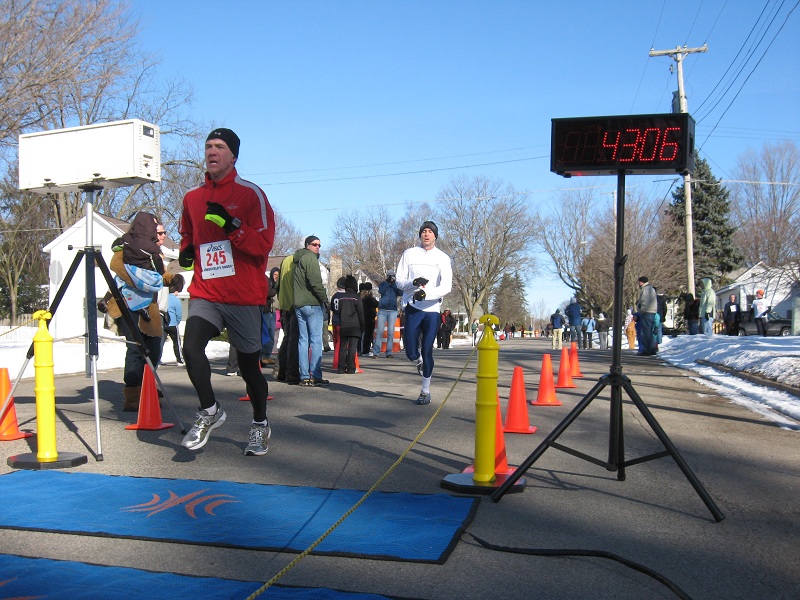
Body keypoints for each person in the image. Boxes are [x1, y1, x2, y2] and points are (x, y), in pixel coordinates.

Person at [178, 127, 275, 456]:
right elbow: (187, 234)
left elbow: (263, 245)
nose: (212, 151)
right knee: (190, 348)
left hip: (243, 295)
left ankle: (260, 424)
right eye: (208, 146)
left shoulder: (251, 195)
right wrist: (187, 250)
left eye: (219, 146)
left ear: (233, 155)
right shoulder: (192, 198)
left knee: (249, 369)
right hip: (206, 291)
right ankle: (209, 411)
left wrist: (232, 225)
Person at [98, 219, 169, 412]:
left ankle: (146, 387)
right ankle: (132, 396)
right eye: (160, 232)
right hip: (131, 305)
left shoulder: (158, 254)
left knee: (154, 350)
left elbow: (163, 276)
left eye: (163, 233)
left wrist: (174, 279)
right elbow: (117, 270)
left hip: (155, 309)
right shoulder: (128, 247)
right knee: (136, 350)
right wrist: (139, 282)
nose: (162, 236)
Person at [395, 220, 452, 405]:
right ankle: (417, 359)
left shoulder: (443, 257)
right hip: (413, 307)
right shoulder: (409, 254)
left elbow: (446, 286)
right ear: (420, 235)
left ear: (435, 236)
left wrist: (426, 293)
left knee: (428, 349)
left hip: (432, 309)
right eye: (423, 231)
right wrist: (413, 284)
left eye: (430, 232)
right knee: (411, 351)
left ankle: (425, 391)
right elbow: (399, 281)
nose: (426, 234)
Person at [294, 235, 329, 387]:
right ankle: (315, 374)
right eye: (315, 244)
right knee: (315, 340)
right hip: (312, 304)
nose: (317, 247)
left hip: (299, 304)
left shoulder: (298, 259)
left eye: (319, 245)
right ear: (308, 245)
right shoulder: (310, 259)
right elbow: (316, 282)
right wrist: (324, 299)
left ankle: (303, 376)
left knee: (303, 340)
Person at [276, 253, 300, 385]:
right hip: (295, 304)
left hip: (285, 304)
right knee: (294, 339)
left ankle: (282, 371)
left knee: (287, 339)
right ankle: (292, 374)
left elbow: (278, 285)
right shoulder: (300, 260)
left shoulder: (285, 261)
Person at [334, 275, 364, 374]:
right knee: (352, 348)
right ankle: (351, 368)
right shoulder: (357, 298)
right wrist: (362, 326)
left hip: (344, 325)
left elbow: (337, 311)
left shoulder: (341, 298)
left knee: (343, 347)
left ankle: (341, 367)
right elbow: (360, 313)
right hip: (355, 326)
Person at [376, 270, 403, 357]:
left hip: (393, 310)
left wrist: (394, 284)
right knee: (380, 331)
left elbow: (400, 293)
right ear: (387, 276)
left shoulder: (396, 285)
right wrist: (388, 283)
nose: (391, 277)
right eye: (390, 276)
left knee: (391, 332)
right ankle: (376, 351)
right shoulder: (383, 284)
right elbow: (381, 291)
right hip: (382, 310)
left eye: (393, 276)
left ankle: (389, 351)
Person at [260, 267, 280, 366]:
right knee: (266, 333)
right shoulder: (269, 282)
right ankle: (262, 356)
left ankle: (267, 356)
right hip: (266, 310)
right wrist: (275, 290)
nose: (276, 276)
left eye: (278, 275)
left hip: (274, 311)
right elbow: (267, 293)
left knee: (272, 335)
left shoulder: (278, 285)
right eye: (275, 274)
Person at [164, 274, 185, 364]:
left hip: (163, 323)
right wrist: (177, 321)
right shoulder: (176, 300)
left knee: (160, 343)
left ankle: (157, 359)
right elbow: (179, 314)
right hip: (173, 324)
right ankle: (180, 359)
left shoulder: (163, 297)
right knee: (177, 343)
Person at [636, 276, 657, 356]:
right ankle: (652, 349)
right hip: (652, 312)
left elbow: (644, 301)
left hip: (647, 312)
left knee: (645, 332)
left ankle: (646, 349)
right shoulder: (651, 288)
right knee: (649, 331)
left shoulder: (645, 289)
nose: (638, 283)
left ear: (642, 282)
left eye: (639, 282)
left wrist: (640, 309)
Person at [360, 282, 379, 357]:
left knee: (363, 334)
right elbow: (377, 304)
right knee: (368, 335)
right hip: (369, 318)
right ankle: (365, 350)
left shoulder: (361, 297)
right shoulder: (369, 297)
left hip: (362, 317)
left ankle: (361, 349)